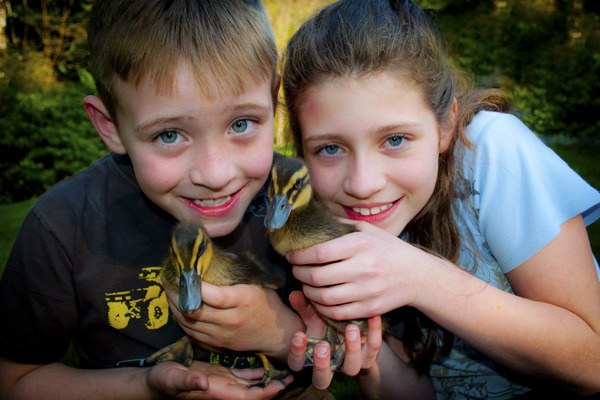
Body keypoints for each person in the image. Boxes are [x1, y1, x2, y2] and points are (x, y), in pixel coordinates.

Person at [279, 0, 600, 398]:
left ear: (446, 125)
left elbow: (593, 362)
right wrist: (367, 355)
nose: (362, 183)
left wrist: (418, 278)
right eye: (329, 149)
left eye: (395, 140)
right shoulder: (325, 225)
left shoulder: (492, 152)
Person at [0, 1, 308, 398]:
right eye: (168, 135)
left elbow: (356, 358)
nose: (215, 174)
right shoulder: (62, 227)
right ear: (110, 126)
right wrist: (146, 386)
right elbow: (14, 380)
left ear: (273, 100)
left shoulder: (303, 202)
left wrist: (277, 330)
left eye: (241, 124)